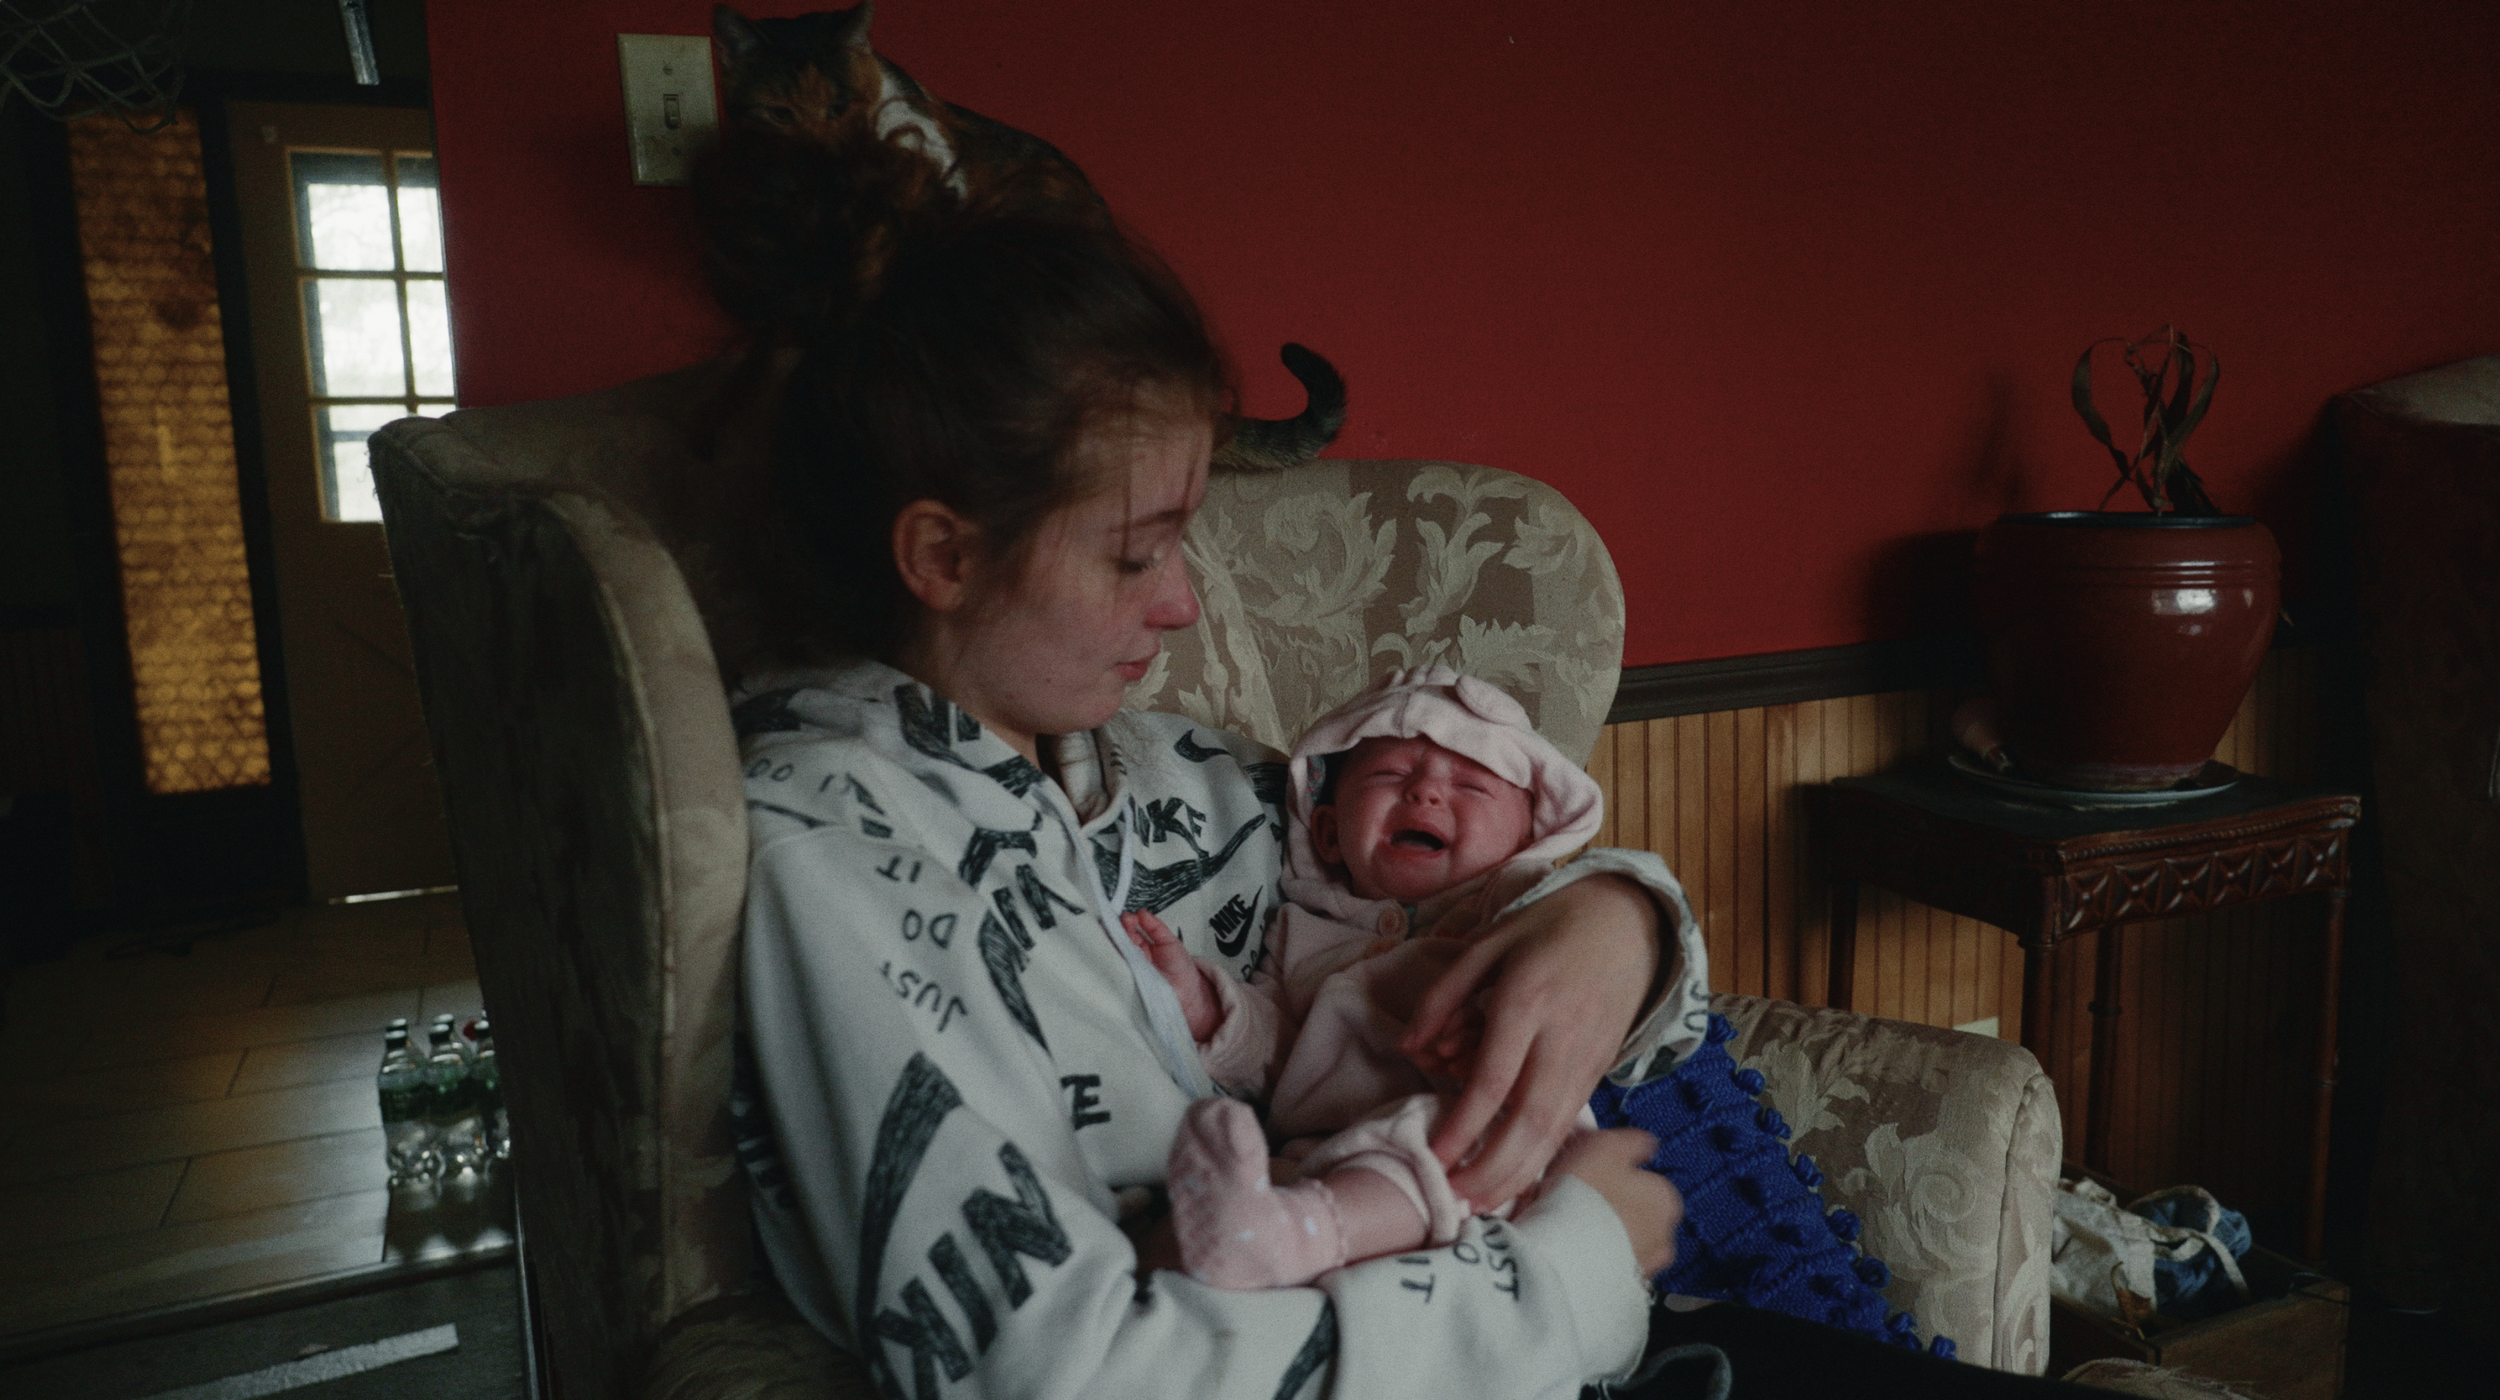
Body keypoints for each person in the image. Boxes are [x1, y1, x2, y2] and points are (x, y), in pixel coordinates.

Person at [723, 146, 2107, 1400]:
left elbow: (1424, 900)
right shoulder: (830, 852)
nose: (1185, 608)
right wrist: (1582, 1267)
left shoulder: (1179, 774)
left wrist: (1610, 920)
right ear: (944, 556)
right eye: (1136, 556)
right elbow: (1065, 1367)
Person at [1121, 666, 1712, 1292]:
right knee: (1279, 1183)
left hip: (1479, 1164)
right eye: (1390, 776)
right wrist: (1210, 1009)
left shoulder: (1514, 906)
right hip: (1323, 1161)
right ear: (1327, 831)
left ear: (1525, 841)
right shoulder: (1297, 930)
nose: (1426, 794)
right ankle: (1268, 1245)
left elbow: (1614, 938)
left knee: (1424, 1141)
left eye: (1472, 785)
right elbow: (1279, 1055)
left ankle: (1287, 1236)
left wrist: (1611, 900)